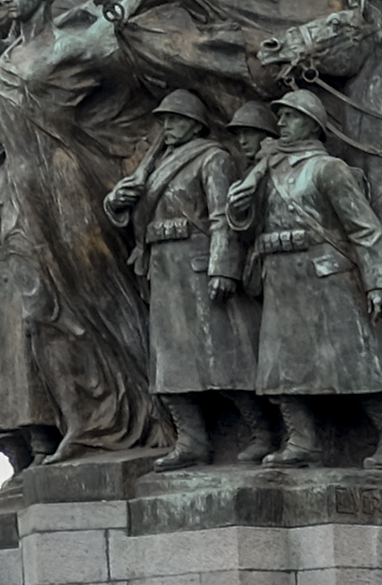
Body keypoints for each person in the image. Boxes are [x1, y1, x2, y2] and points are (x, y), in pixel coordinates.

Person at [0, 0, 173, 463]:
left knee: (102, 302)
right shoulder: (11, 50)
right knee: (41, 312)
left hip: (71, 182)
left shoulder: (78, 43)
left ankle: (153, 413)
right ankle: (87, 421)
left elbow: (132, 32)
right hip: (24, 195)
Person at [226, 89, 382, 469]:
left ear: (313, 125)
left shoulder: (328, 169)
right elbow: (250, 231)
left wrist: (379, 281)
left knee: (359, 362)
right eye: (279, 116)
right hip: (281, 279)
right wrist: (240, 210)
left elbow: (364, 228)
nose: (280, 123)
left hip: (327, 276)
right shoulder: (267, 171)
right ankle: (302, 441)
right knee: (281, 367)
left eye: (291, 116)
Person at [105, 90, 272, 470]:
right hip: (164, 271)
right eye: (164, 120)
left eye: (175, 120)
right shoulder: (153, 164)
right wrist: (117, 201)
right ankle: (191, 441)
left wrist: (222, 267)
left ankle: (263, 432)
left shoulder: (213, 158)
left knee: (225, 361)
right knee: (169, 365)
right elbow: (134, 216)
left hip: (197, 268)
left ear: (195, 124)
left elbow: (221, 216)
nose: (167, 126)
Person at [0, 131, 60, 476]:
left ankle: (43, 443)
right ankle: (16, 453)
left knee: (25, 365)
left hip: (18, 275)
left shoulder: (27, 174)